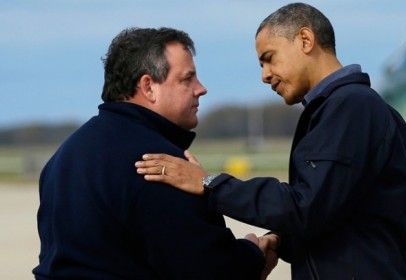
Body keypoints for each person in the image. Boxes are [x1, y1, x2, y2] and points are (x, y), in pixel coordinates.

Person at [135, 3, 406, 280]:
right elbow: (335, 212)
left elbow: (306, 207)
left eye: (269, 58)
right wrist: (280, 242)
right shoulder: (348, 109)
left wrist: (209, 183)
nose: (264, 76)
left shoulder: (351, 107)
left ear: (305, 39)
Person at [33, 27, 279, 280]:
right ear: (148, 87)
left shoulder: (64, 156)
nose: (201, 88)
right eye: (187, 78)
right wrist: (253, 253)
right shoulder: (160, 165)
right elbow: (207, 269)